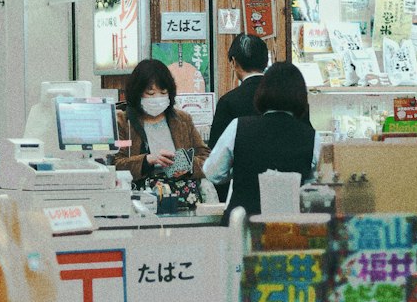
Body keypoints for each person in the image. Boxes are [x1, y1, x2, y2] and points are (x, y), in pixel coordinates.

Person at [203, 60, 319, 219]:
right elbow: (313, 184)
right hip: (288, 228)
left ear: (262, 91)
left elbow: (213, 173)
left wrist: (238, 169)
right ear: (301, 97)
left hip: (242, 223)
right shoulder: (312, 137)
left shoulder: (238, 126)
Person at [115, 58, 209, 191]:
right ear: (137, 93)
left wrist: (187, 166)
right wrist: (147, 160)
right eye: (151, 93)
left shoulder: (183, 120)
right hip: (138, 198)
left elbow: (206, 159)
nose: (157, 98)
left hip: (182, 198)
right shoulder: (123, 122)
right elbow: (116, 163)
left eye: (163, 93)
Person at [206, 34, 269, 201]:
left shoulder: (229, 102)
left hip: (244, 195)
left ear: (234, 62)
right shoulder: (288, 99)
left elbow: (215, 161)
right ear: (266, 62)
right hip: (287, 195)